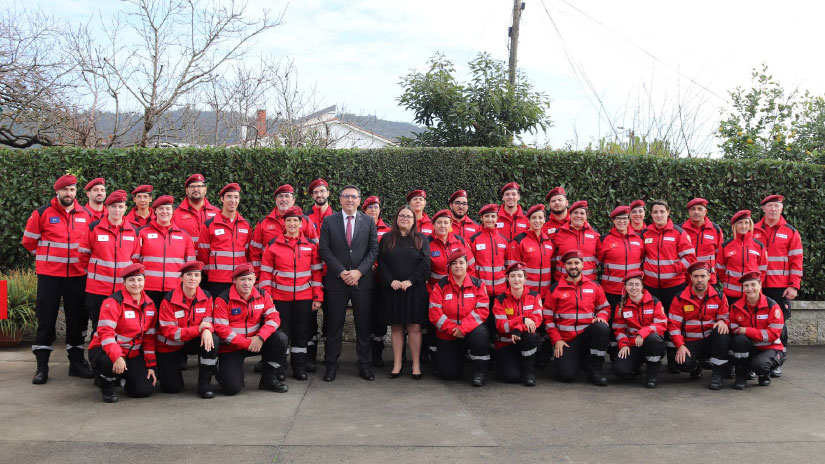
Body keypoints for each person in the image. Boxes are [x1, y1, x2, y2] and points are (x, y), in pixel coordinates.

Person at [22, 174, 94, 384]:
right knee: (46, 319)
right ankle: (42, 367)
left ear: (76, 192)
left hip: (78, 275)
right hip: (50, 276)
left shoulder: (86, 215)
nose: (68, 194)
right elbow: (29, 242)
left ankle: (77, 363)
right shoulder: (42, 213)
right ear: (57, 192)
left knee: (77, 321)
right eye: (65, 190)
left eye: (72, 190)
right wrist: (47, 260)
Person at [318, 185, 379, 382]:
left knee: (363, 326)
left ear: (359, 200)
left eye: (354, 197)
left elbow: (373, 250)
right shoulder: (329, 221)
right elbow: (324, 250)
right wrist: (341, 271)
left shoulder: (369, 221)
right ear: (340, 200)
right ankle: (331, 365)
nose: (350, 200)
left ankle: (365, 365)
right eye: (346, 196)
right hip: (337, 282)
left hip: (362, 282)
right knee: (334, 326)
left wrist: (359, 272)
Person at [258, 206, 324, 381]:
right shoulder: (272, 246)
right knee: (281, 334)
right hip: (279, 299)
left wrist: (317, 296)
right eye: (289, 220)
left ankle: (299, 367)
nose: (292, 223)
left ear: (302, 224)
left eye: (296, 220)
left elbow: (316, 273)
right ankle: (280, 368)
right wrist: (267, 296)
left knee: (301, 333)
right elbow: (265, 274)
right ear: (283, 223)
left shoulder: (310, 246)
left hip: (304, 298)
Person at [213, 263, 289, 395]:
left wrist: (260, 338)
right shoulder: (223, 299)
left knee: (280, 338)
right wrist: (248, 343)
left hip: (257, 342)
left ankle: (268, 379)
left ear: (255, 280)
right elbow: (222, 330)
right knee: (232, 389)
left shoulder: (262, 294)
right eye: (242, 279)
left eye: (250, 279)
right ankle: (223, 374)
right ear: (234, 280)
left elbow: (274, 318)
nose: (246, 283)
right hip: (232, 347)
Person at [639, 199, 696, 372]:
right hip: (651, 286)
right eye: (655, 212)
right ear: (651, 215)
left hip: (674, 286)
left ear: (668, 212)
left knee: (673, 322)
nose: (658, 215)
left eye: (662, 212)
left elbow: (690, 258)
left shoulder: (679, 233)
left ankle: (673, 361)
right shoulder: (645, 233)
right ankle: (652, 359)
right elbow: (639, 258)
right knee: (651, 321)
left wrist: (673, 269)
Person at [87, 263, 157, 403]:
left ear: (144, 281)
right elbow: (106, 334)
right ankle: (106, 385)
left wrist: (150, 365)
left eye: (139, 279)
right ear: (124, 282)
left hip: (131, 353)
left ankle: (121, 377)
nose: (136, 284)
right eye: (131, 280)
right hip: (105, 350)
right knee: (108, 361)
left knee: (144, 390)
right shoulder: (113, 302)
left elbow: (149, 338)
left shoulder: (150, 305)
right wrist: (117, 356)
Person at [377, 206, 431, 379]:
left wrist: (410, 281)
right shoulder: (386, 238)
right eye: (402, 215)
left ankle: (415, 365)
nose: (405, 218)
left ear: (414, 220)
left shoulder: (421, 239)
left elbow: (425, 264)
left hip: (414, 290)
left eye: (409, 216)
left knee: (414, 326)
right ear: (396, 218)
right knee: (396, 327)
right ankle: (397, 364)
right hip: (393, 289)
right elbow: (381, 263)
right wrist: (390, 280)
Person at [544, 249, 611, 386]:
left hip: (587, 336)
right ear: (564, 266)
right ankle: (579, 360)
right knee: (565, 375)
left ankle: (595, 372)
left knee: (601, 327)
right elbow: (548, 318)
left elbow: (604, 308)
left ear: (583, 265)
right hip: (566, 339)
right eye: (569, 263)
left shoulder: (594, 286)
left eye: (576, 263)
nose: (573, 266)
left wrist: (601, 317)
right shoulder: (554, 289)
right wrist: (557, 340)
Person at [753, 194, 802, 377]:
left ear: (781, 209)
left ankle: (778, 360)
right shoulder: (752, 230)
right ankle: (756, 359)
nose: (773, 209)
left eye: (776, 206)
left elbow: (796, 260)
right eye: (770, 206)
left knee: (779, 326)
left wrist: (793, 285)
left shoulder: (790, 231)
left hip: (779, 286)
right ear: (763, 209)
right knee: (754, 323)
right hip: (756, 287)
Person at [156, 261, 218, 398]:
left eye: (197, 275)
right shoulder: (169, 299)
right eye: (189, 275)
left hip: (192, 341)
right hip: (170, 345)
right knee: (172, 388)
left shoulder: (207, 296)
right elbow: (171, 332)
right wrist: (200, 329)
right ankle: (164, 370)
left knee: (213, 340)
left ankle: (205, 384)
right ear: (181, 278)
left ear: (201, 278)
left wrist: (207, 330)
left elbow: (208, 319)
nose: (193, 278)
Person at [78, 189, 139, 332]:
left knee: (121, 326)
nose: (117, 210)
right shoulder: (94, 228)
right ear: (108, 207)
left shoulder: (134, 231)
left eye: (120, 206)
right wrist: (94, 272)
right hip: (97, 289)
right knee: (98, 326)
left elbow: (135, 259)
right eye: (113, 206)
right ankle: (98, 354)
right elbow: (83, 255)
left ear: (125, 208)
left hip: (122, 289)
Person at [429, 249, 491, 386]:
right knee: (448, 374)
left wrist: (463, 328)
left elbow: (482, 310)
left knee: (480, 334)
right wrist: (453, 329)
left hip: (470, 332)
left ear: (467, 265)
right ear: (449, 267)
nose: (458, 266)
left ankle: (479, 371)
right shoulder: (441, 285)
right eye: (454, 263)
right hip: (448, 333)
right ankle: (458, 356)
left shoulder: (478, 284)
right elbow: (434, 313)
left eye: (461, 262)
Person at [668, 262, 731, 389]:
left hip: (710, 341)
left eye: (703, 276)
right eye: (696, 276)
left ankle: (717, 374)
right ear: (690, 277)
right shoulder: (680, 298)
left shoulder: (719, 296)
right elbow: (673, 326)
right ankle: (696, 367)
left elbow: (726, 316)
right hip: (691, 341)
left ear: (709, 276)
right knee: (682, 363)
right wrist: (680, 345)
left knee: (722, 330)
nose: (699, 280)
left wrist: (723, 321)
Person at [137, 195, 196, 309]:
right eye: (161, 209)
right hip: (147, 289)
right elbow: (135, 261)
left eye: (168, 209)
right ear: (155, 211)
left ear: (173, 212)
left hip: (175, 289)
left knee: (171, 323)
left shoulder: (184, 235)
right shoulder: (142, 233)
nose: (165, 212)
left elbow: (190, 265)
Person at [729, 271, 785, 389]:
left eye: (753, 285)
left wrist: (747, 331)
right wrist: (746, 333)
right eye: (746, 286)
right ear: (743, 288)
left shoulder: (772, 306)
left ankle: (765, 374)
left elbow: (773, 334)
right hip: (751, 348)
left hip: (770, 348)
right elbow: (734, 329)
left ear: (760, 285)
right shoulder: (736, 307)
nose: (750, 289)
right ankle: (741, 375)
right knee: (739, 340)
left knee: (760, 365)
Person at [611, 272, 667, 388]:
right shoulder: (621, 305)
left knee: (653, 338)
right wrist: (624, 344)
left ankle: (652, 373)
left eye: (637, 284)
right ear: (625, 287)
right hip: (632, 345)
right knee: (620, 371)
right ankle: (635, 369)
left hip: (651, 343)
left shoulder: (654, 302)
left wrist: (643, 333)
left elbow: (661, 324)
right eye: (630, 284)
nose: (634, 288)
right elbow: (618, 328)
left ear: (642, 287)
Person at [492, 262, 542, 386]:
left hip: (525, 339)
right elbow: (501, 326)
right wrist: (522, 319)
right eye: (512, 276)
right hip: (506, 342)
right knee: (512, 376)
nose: (516, 279)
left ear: (525, 278)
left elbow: (536, 321)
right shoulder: (499, 300)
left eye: (520, 276)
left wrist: (519, 328)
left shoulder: (535, 296)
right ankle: (507, 363)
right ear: (507, 278)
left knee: (530, 334)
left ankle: (529, 372)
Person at [198, 183, 251, 297]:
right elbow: (203, 254)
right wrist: (213, 271)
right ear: (222, 199)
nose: (233, 200)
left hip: (239, 279)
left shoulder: (246, 225)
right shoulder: (209, 225)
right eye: (229, 196)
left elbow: (248, 252)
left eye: (236, 197)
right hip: (217, 280)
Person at [250, 184, 317, 273]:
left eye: (287, 196)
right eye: (280, 196)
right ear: (275, 200)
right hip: (270, 275)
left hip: (300, 277)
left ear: (293, 200)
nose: (283, 199)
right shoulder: (263, 223)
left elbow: (315, 250)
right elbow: (254, 252)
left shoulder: (306, 221)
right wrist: (257, 277)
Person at [469, 204, 509, 341]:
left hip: (500, 290)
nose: (490, 219)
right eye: (487, 216)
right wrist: (476, 286)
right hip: (482, 290)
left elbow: (507, 265)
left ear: (497, 218)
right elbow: (471, 266)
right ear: (481, 218)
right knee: (483, 321)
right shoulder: (474, 239)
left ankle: (497, 351)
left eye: (493, 216)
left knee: (497, 321)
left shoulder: (504, 240)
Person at [596, 205, 644, 310]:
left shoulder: (638, 238)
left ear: (629, 220)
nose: (622, 221)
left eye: (624, 218)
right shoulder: (604, 239)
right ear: (613, 220)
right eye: (618, 218)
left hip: (633, 289)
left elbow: (642, 260)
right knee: (612, 320)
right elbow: (596, 262)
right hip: (611, 289)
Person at [363, 195, 392, 367]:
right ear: (364, 210)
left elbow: (388, 255)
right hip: (364, 281)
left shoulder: (387, 231)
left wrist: (377, 267)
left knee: (379, 319)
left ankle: (377, 352)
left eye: (376, 207)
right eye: (370, 207)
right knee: (365, 317)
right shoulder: (360, 228)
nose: (373, 210)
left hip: (381, 281)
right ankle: (365, 352)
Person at [717, 210, 768, 306]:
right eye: (740, 223)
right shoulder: (725, 246)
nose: (744, 226)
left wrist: (756, 286)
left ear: (750, 225)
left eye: (746, 223)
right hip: (731, 294)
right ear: (734, 225)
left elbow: (763, 269)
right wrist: (728, 282)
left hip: (752, 294)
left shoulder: (759, 245)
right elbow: (720, 269)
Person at [505, 204, 554, 299]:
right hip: (526, 294)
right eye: (534, 218)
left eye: (540, 218)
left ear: (544, 220)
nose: (537, 221)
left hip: (545, 294)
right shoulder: (519, 241)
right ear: (528, 221)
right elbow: (513, 270)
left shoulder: (549, 241)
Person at [551, 200, 599, 282]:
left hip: (588, 282)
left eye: (582, 213)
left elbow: (600, 258)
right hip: (563, 281)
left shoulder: (595, 235)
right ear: (570, 215)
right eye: (575, 213)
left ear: (586, 216)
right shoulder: (558, 234)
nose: (578, 215)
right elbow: (551, 259)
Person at [681, 198, 723, 286]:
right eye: (693, 209)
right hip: (685, 278)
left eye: (700, 209)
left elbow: (719, 256)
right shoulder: (680, 230)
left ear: (705, 211)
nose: (696, 212)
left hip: (708, 279)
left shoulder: (716, 230)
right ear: (689, 212)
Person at [172, 173, 221, 246]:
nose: (196, 189)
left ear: (205, 190)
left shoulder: (217, 213)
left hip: (208, 257)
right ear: (186, 190)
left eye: (199, 186)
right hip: (186, 257)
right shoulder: (175, 213)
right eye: (192, 186)